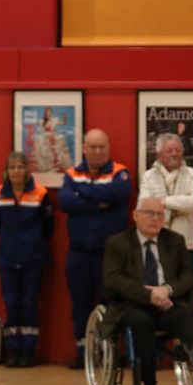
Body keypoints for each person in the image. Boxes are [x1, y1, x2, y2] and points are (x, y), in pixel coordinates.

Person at [103, 196, 193, 385]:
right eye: (150, 213)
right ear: (135, 215)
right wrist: (148, 294)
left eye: (160, 214)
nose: (155, 218)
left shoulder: (175, 241)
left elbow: (188, 277)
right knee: (142, 323)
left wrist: (166, 290)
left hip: (167, 301)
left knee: (182, 315)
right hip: (133, 304)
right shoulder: (118, 243)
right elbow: (114, 279)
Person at [58, 128, 132, 369]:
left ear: (108, 148)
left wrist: (83, 193)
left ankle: (111, 352)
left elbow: (118, 193)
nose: (98, 151)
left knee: (112, 302)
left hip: (110, 255)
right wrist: (100, 202)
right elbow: (65, 201)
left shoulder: (120, 172)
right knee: (79, 304)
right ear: (84, 148)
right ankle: (84, 353)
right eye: (93, 147)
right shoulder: (72, 173)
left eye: (102, 147)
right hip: (79, 252)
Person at [0, 152, 54, 367]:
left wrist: (33, 243)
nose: (16, 171)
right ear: (6, 172)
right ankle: (13, 350)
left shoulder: (40, 193)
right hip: (7, 257)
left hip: (34, 257)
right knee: (11, 304)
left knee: (29, 303)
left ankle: (28, 351)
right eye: (12, 168)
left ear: (27, 170)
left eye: (20, 167)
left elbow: (48, 226)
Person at [139, 132, 193, 278]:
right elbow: (143, 208)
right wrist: (176, 209)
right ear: (159, 154)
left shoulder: (192, 174)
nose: (174, 154)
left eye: (178, 150)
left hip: (187, 244)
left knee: (186, 293)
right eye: (169, 151)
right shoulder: (149, 176)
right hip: (156, 242)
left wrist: (162, 201)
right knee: (156, 294)